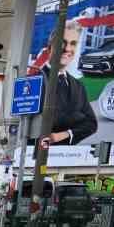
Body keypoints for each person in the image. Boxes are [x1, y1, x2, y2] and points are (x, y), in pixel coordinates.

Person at [38, 23, 98, 152]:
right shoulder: (36, 80)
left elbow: (92, 124)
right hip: (37, 157)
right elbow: (51, 119)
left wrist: (63, 134)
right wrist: (77, 118)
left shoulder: (78, 86)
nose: (67, 49)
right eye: (62, 43)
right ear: (50, 47)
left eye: (73, 43)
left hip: (68, 157)